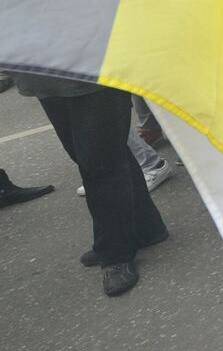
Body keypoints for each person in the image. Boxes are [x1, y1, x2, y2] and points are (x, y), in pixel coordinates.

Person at [8, 75, 167, 295]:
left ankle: (115, 254)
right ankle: (145, 226)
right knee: (97, 153)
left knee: (99, 162)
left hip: (87, 74)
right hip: (45, 76)